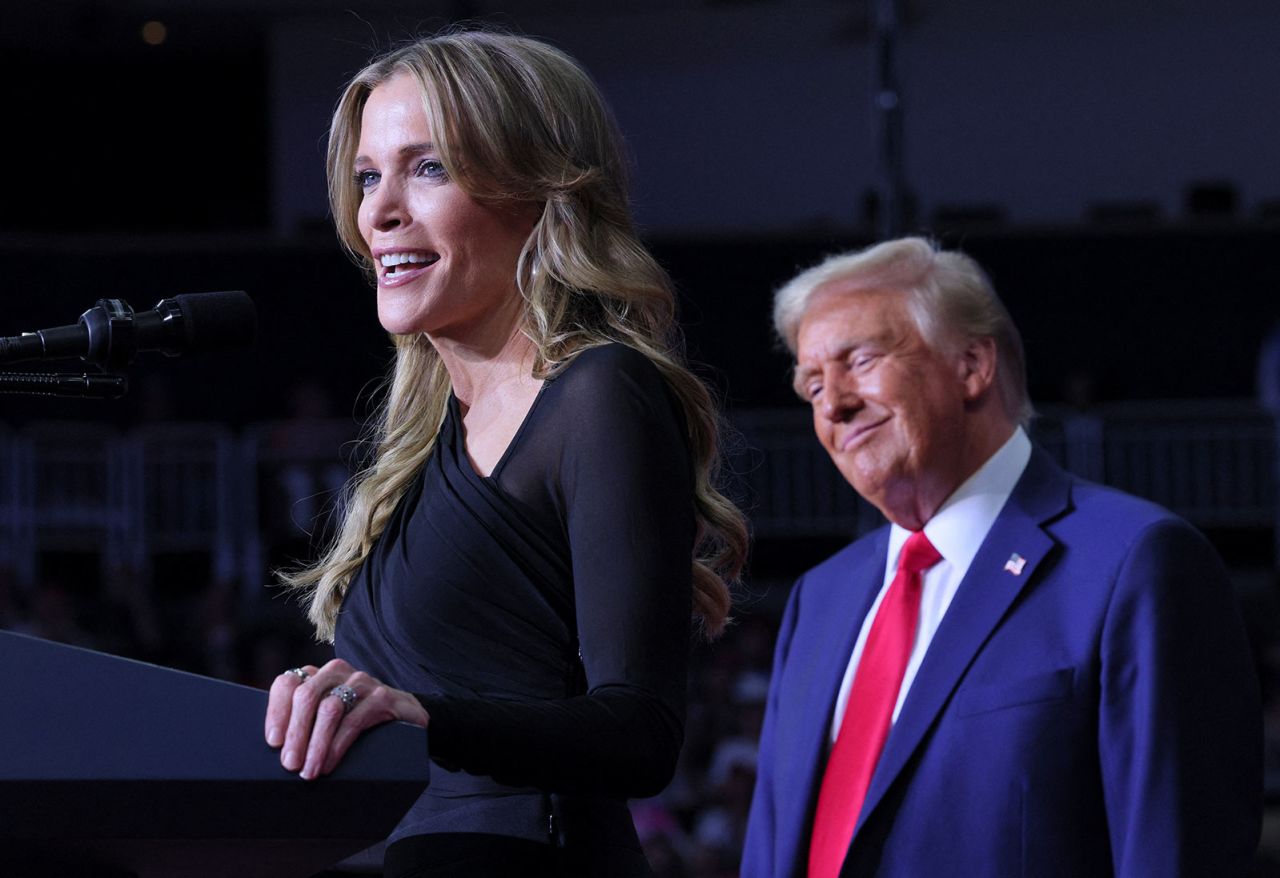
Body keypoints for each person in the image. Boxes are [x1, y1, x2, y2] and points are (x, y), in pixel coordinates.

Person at [262, 30, 747, 877]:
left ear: (540, 191)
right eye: (370, 174)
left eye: (429, 168)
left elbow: (639, 732)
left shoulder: (599, 395)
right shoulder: (423, 443)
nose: (377, 210)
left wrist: (424, 716)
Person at [741, 237, 1261, 876]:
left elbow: (1173, 853)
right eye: (812, 385)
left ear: (971, 366)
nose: (833, 404)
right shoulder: (819, 599)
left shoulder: (1134, 563)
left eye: (861, 360)